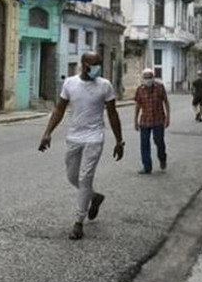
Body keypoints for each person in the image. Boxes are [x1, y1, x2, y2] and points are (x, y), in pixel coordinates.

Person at [38, 52, 124, 241]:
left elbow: (112, 114)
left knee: (85, 178)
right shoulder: (70, 83)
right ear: (84, 64)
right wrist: (47, 133)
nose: (98, 68)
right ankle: (95, 197)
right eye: (94, 64)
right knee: (72, 176)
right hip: (74, 136)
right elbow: (59, 109)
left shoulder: (105, 85)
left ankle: (78, 223)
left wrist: (119, 140)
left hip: (95, 137)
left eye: (99, 64)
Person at [134, 68, 170, 174]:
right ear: (142, 79)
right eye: (145, 77)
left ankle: (162, 157)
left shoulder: (160, 87)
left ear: (153, 78)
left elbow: (166, 102)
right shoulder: (140, 90)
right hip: (145, 121)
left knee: (159, 141)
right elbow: (138, 106)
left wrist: (168, 117)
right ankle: (147, 166)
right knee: (144, 144)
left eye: (149, 77)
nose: (148, 80)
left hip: (158, 120)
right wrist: (135, 120)